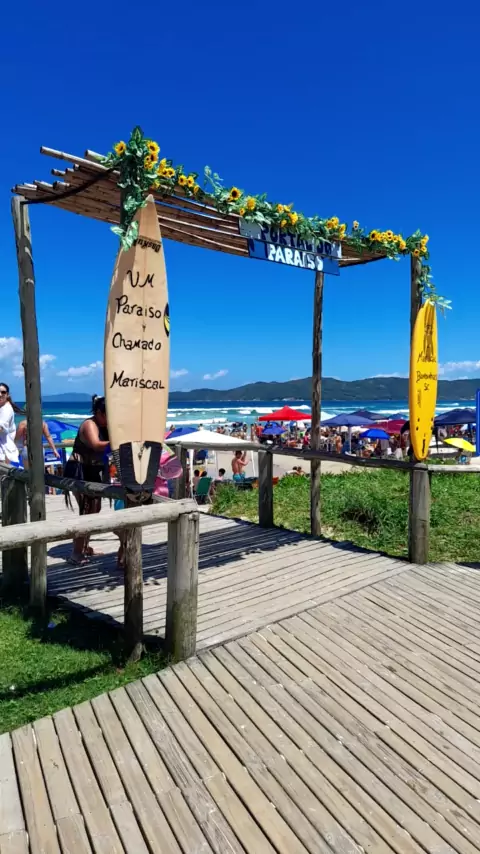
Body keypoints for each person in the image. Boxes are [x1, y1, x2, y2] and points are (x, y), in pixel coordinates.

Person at [64, 395, 110, 565]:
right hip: (79, 469)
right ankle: (76, 553)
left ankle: (84, 546)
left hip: (95, 469)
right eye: (107, 415)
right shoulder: (89, 424)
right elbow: (96, 445)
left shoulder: (106, 425)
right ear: (98, 413)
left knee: (95, 509)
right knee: (86, 510)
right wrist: (120, 442)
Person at [0, 383, 21, 465]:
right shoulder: (2, 408)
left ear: (7, 395)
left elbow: (1, 428)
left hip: (3, 453)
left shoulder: (6, 409)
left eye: (3, 392)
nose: (0, 394)